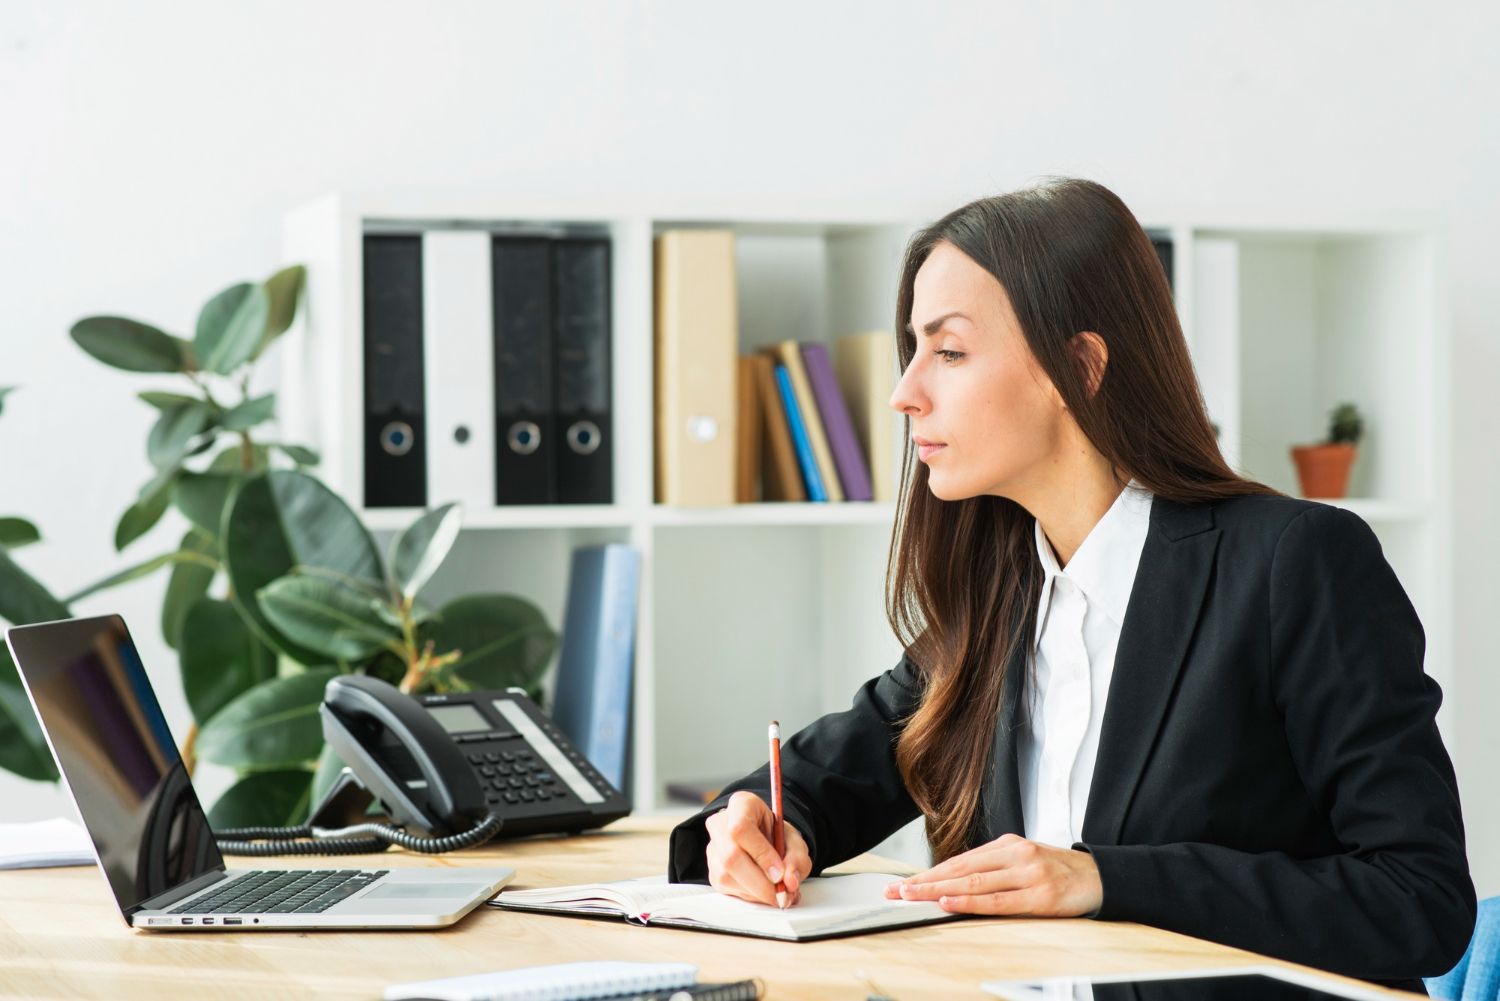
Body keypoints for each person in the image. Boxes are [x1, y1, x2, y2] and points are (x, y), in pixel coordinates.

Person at [666, 178, 1475, 993]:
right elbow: (814, 780)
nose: (903, 391)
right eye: (912, 349)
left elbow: (1419, 900)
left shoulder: (1293, 563)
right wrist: (757, 828)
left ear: (1078, 366)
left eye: (948, 351)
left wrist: (1103, 878)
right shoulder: (996, 601)